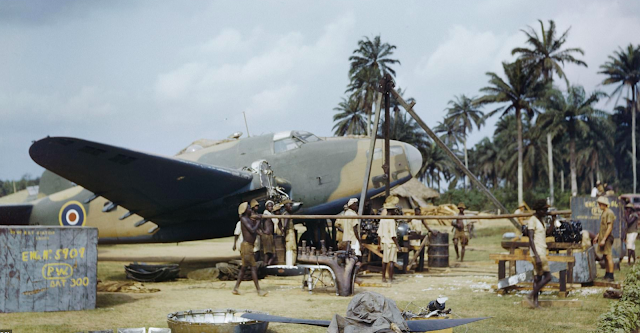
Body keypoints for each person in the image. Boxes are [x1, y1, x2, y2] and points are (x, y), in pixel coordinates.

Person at [232, 202, 267, 296]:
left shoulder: (249, 219)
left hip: (249, 246)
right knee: (253, 267)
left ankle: (235, 288)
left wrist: (258, 221)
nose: (250, 209)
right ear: (244, 211)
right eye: (248, 208)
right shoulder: (243, 219)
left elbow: (256, 230)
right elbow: (252, 230)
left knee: (243, 268)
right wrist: (259, 220)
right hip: (246, 246)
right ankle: (259, 290)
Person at [525, 199, 552, 308]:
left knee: (538, 278)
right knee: (548, 277)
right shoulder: (532, 220)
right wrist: (536, 255)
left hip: (542, 251)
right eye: (544, 210)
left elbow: (548, 233)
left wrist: (553, 221)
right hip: (538, 253)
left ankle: (535, 303)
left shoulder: (541, 220)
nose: (546, 212)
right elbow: (530, 239)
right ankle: (530, 295)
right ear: (539, 210)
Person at [593, 196, 615, 281]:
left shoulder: (609, 213)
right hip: (603, 237)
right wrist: (598, 237)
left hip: (607, 238)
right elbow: (602, 227)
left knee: (609, 256)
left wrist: (604, 239)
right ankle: (607, 273)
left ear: (604, 204)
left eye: (600, 204)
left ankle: (611, 275)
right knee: (605, 256)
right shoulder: (604, 213)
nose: (599, 206)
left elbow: (609, 227)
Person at [378, 203, 401, 283]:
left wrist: (378, 244)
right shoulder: (391, 221)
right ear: (392, 211)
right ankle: (390, 278)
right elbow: (393, 235)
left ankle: (383, 278)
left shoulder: (382, 220)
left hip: (384, 242)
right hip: (391, 243)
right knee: (391, 261)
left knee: (384, 261)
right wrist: (398, 246)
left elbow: (379, 234)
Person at [280, 199, 297, 266]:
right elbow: (285, 225)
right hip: (290, 233)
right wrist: (284, 232)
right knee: (291, 248)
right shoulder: (287, 214)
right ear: (286, 206)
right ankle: (290, 264)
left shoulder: (284, 214)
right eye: (290, 206)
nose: (291, 207)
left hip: (288, 233)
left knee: (290, 248)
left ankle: (290, 263)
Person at [261, 200, 277, 266]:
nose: (270, 207)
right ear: (266, 207)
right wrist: (263, 230)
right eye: (269, 206)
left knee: (273, 254)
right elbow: (260, 222)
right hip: (267, 235)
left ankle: (267, 265)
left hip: (270, 235)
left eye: (271, 206)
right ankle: (265, 266)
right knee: (267, 252)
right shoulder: (265, 214)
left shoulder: (271, 214)